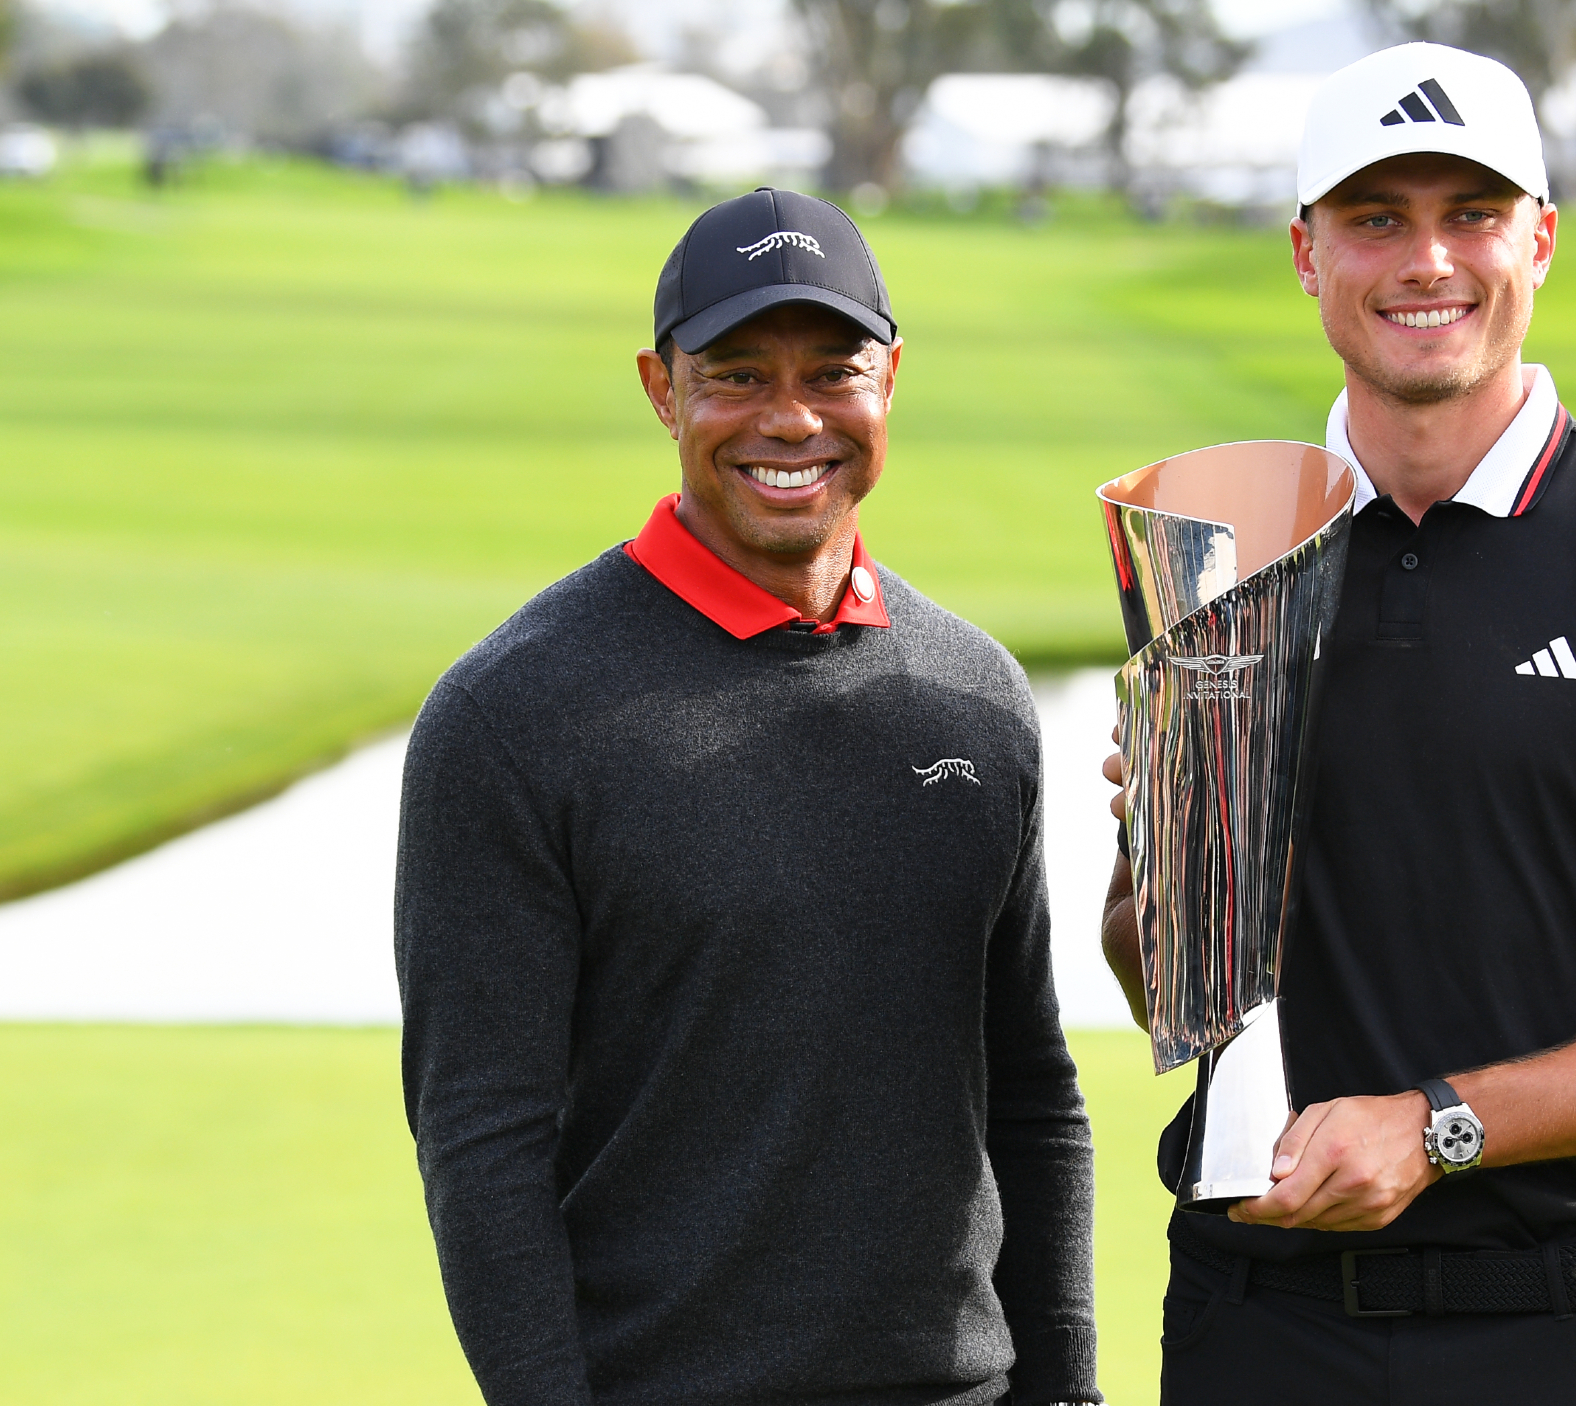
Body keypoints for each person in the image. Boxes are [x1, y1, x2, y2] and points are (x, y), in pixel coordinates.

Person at [1098, 44, 1576, 1405]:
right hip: (1255, 1319)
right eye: (1377, 218)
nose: (1425, 260)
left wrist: (1438, 1126)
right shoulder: (1222, 546)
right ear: (1306, 251)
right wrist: (1162, 857)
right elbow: (1171, 992)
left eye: (1472, 215)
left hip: (1571, 1323)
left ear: (1542, 239)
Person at [396, 188, 1099, 1406]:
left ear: (890, 381)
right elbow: (480, 1143)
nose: (791, 420)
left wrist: (1070, 1387)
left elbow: (1029, 1089)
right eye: (734, 375)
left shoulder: (971, 692)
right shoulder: (511, 714)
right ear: (661, 388)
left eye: (834, 372)